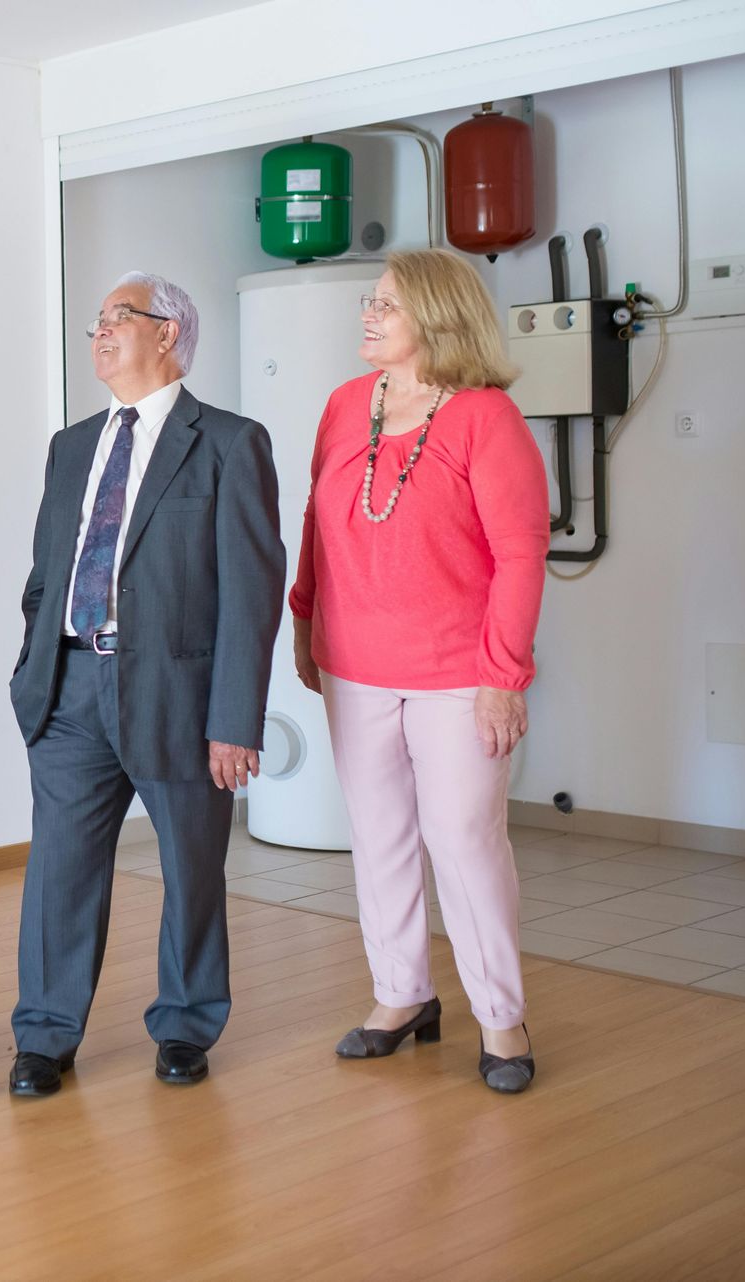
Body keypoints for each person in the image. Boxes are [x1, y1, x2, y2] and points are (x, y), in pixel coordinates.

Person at [6, 272, 284, 1098]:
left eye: (115, 319)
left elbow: (251, 591)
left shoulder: (230, 442)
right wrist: (35, 668)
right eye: (95, 322)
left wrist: (236, 718)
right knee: (59, 871)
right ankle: (45, 1036)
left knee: (192, 866)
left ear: (167, 334)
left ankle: (188, 1024)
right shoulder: (71, 447)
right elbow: (46, 575)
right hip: (71, 691)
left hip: (181, 696)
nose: (98, 332)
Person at [289, 247, 548, 1094]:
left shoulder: (484, 418)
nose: (367, 313)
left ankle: (501, 1019)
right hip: (355, 665)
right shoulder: (342, 406)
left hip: (457, 673)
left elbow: (521, 553)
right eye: (370, 300)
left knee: (466, 841)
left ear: (437, 319)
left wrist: (504, 674)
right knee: (381, 836)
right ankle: (401, 996)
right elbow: (316, 522)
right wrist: (303, 618)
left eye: (386, 304)